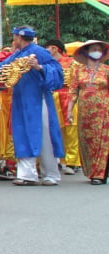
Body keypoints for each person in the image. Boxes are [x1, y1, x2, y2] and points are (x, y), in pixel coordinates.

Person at [0, 26, 64, 186]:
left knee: (44, 137)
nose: (13, 41)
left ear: (19, 38)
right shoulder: (18, 55)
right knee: (22, 134)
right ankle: (28, 174)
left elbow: (57, 71)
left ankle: (51, 174)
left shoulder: (39, 52)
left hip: (38, 101)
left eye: (14, 38)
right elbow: (1, 68)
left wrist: (39, 67)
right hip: (21, 101)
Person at [64, 40, 109, 185]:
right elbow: (72, 91)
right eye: (94, 49)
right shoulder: (78, 71)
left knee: (102, 141)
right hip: (84, 111)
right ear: (86, 52)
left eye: (99, 49)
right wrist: (69, 110)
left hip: (103, 110)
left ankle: (100, 173)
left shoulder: (106, 70)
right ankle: (91, 171)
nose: (97, 51)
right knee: (87, 141)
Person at [46, 38, 81, 174]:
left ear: (54, 49)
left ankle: (72, 162)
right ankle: (60, 159)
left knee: (71, 129)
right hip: (54, 97)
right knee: (55, 130)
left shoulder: (72, 63)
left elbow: (76, 82)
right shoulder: (49, 63)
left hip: (68, 97)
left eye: (48, 48)